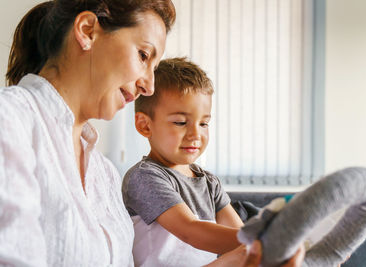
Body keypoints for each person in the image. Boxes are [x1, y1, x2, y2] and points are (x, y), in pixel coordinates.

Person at [0, 0, 303, 266]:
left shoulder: (103, 175)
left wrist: (248, 257)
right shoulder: (11, 119)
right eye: (144, 56)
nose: (149, 85)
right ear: (88, 30)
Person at [122, 57, 305, 267]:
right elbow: (190, 230)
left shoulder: (209, 183)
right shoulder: (144, 177)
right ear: (145, 126)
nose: (195, 134)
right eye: (181, 122)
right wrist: (265, 244)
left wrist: (287, 247)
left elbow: (240, 236)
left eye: (204, 123)